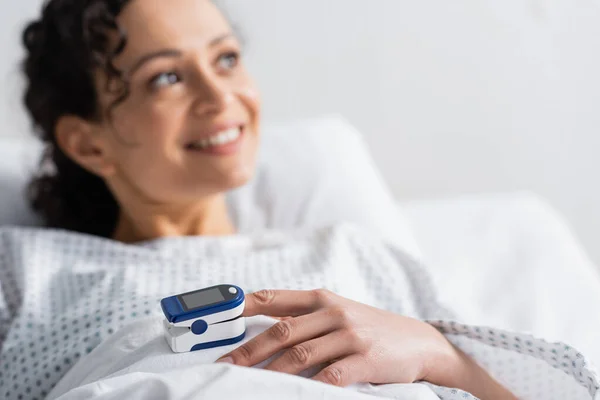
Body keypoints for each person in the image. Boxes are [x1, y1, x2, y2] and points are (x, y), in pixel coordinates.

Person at [1, 1, 594, 399]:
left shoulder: (361, 255)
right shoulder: (26, 272)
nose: (220, 96)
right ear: (88, 142)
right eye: (166, 77)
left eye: (226, 59)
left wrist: (438, 354)